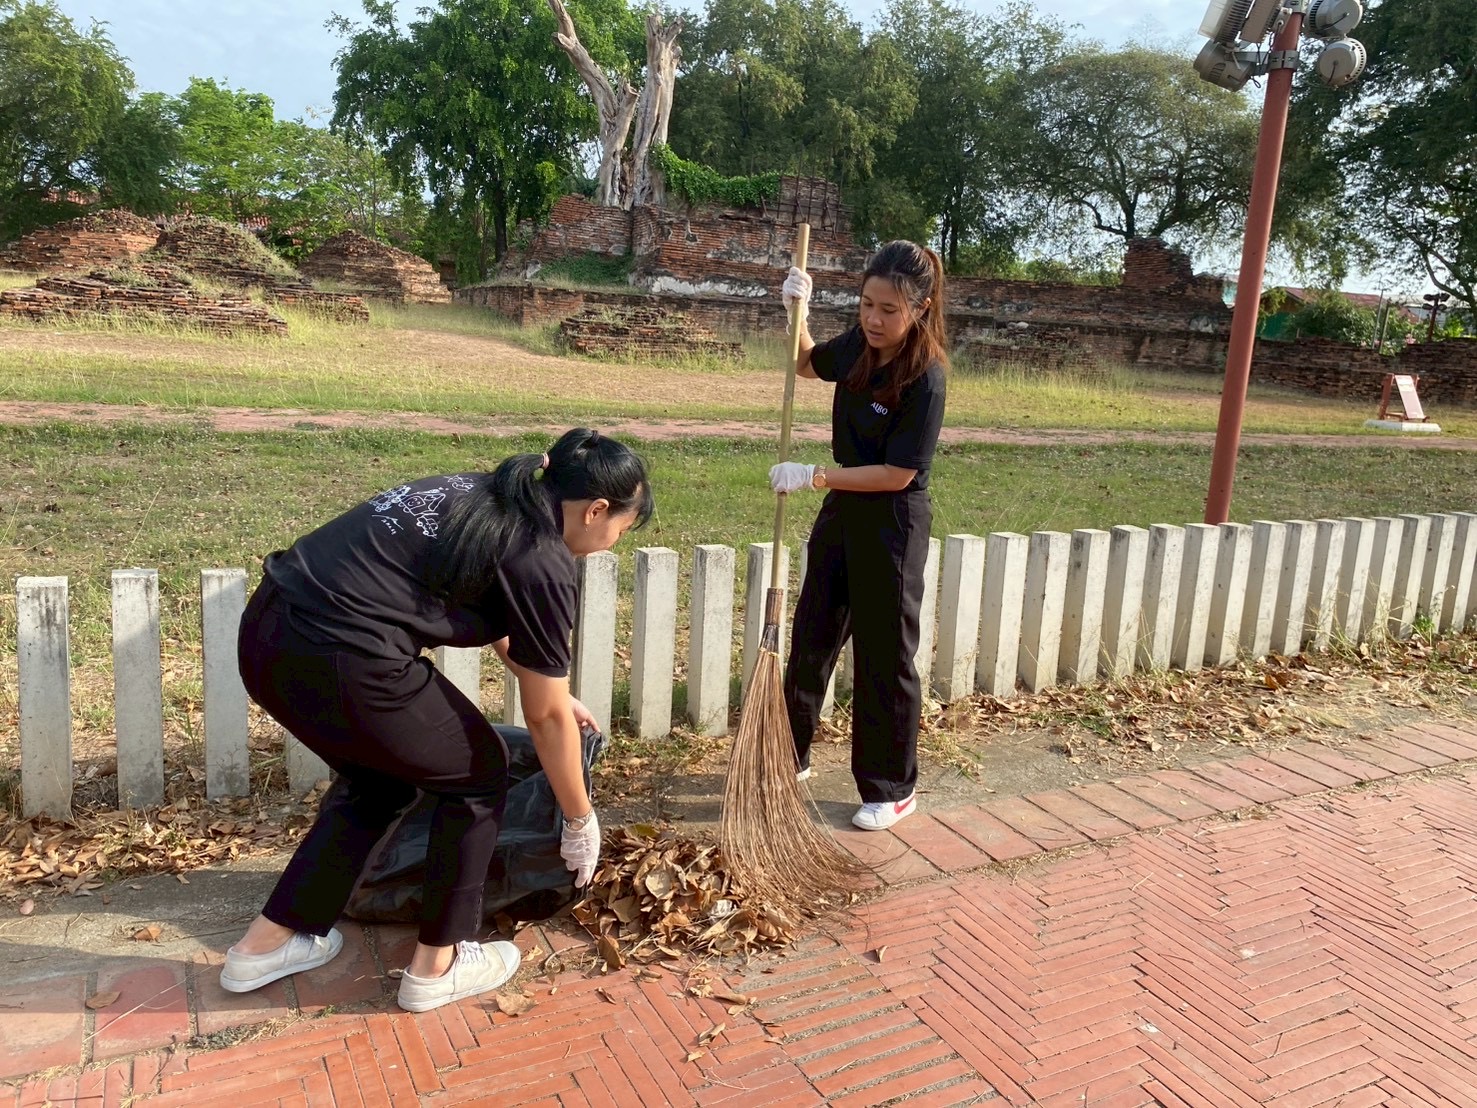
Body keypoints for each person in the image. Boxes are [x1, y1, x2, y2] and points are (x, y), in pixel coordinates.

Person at [221, 428, 653, 1012]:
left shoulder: (487, 495)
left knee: (381, 780)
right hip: (343, 653)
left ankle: (266, 945)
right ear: (596, 510)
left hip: (269, 633)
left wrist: (552, 688)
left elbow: (497, 614)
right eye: (621, 530)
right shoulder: (544, 557)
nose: (609, 544)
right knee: (479, 774)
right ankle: (438, 965)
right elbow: (544, 717)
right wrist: (579, 819)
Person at [770, 241, 948, 831]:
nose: (873, 319)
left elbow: (898, 473)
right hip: (844, 509)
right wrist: (796, 311)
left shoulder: (926, 378)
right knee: (812, 635)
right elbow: (805, 363)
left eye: (889, 310)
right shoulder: (856, 346)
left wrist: (815, 475)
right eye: (866, 304)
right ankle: (788, 757)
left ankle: (891, 789)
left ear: (919, 309)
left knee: (883, 656)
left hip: (893, 521)